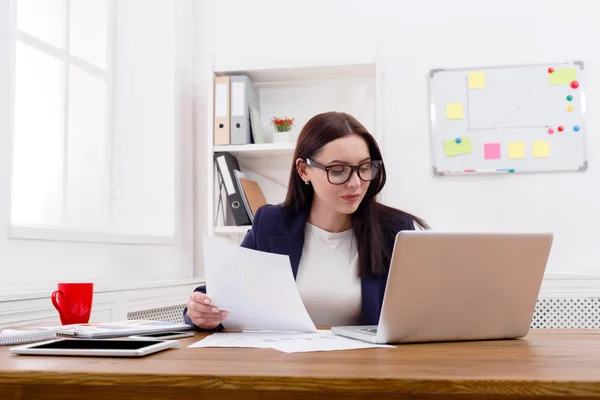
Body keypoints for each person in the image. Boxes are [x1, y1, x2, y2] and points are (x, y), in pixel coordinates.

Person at [184, 111, 429, 331]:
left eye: (364, 168)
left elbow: (420, 313)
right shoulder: (270, 224)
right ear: (304, 170)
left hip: (365, 370)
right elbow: (217, 296)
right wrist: (200, 313)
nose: (355, 183)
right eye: (338, 170)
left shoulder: (395, 229)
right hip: (289, 370)